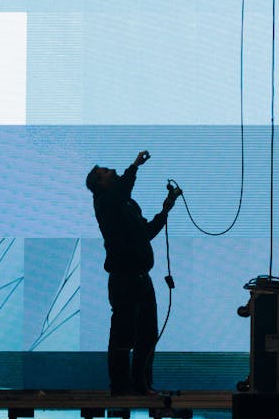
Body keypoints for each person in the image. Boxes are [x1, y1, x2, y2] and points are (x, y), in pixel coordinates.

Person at [86, 149, 181, 394]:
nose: (111, 171)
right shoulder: (106, 203)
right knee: (123, 336)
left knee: (148, 336)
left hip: (142, 279)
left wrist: (166, 209)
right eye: (105, 172)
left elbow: (146, 233)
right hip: (124, 280)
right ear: (100, 184)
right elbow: (121, 191)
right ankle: (119, 387)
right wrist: (135, 165)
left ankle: (142, 385)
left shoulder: (126, 204)